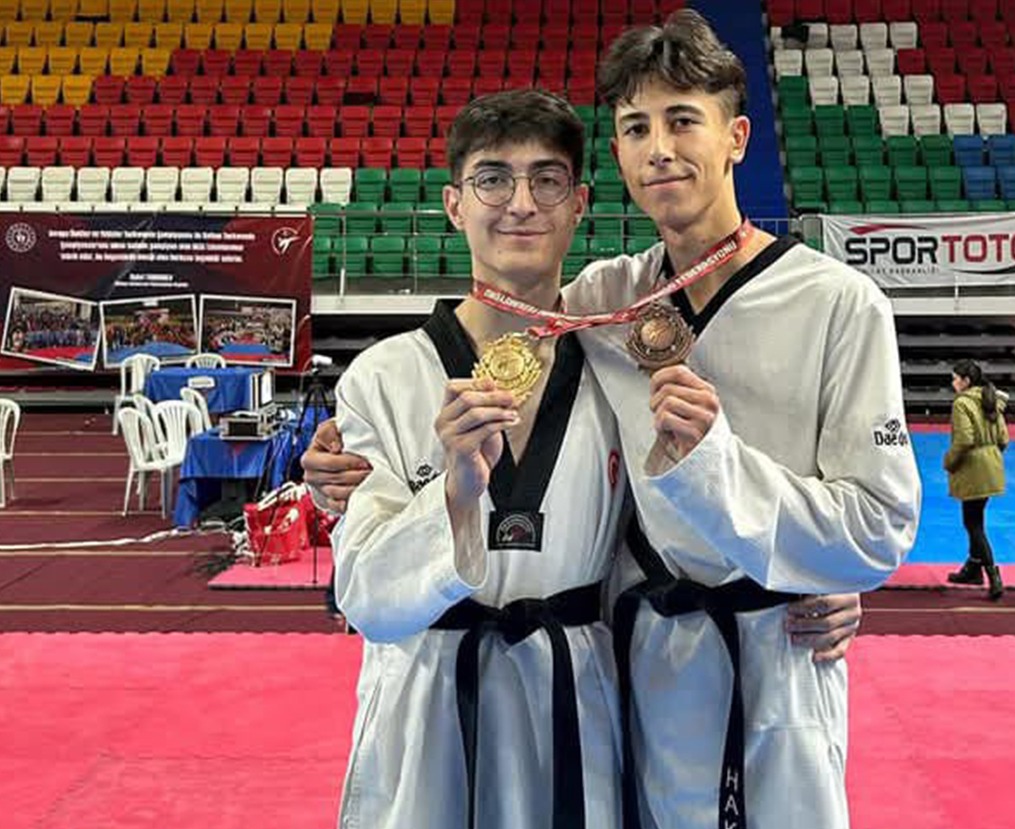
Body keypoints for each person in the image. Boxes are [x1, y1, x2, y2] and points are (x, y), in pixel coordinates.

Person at [306, 11, 915, 829]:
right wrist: (345, 475)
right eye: (636, 128)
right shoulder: (603, 303)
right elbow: (598, 501)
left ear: (736, 138)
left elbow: (876, 527)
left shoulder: (839, 303)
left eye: (682, 121)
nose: (659, 148)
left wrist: (817, 574)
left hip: (778, 654)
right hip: (642, 672)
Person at [328, 89, 626, 829]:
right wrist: (454, 496)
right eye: (493, 178)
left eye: (547, 179)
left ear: (579, 204)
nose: (520, 203)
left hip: (572, 700)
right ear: (455, 205)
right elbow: (364, 593)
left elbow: (660, 546)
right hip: (426, 701)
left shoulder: (619, 370)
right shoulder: (382, 378)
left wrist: (802, 592)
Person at [943, 359, 1010, 601]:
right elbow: (1004, 438)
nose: (953, 383)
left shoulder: (962, 403)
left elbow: (964, 439)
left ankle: (993, 574)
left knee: (973, 523)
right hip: (992, 465)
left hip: (973, 468)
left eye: (955, 378)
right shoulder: (991, 400)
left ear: (966, 381)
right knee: (976, 517)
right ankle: (972, 568)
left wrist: (949, 461)